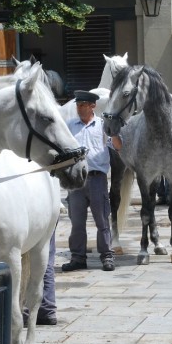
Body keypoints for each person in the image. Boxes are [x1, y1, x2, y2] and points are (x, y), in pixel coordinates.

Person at [62, 90, 117, 272]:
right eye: (78, 105)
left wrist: (114, 131)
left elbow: (118, 146)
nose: (79, 109)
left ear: (92, 106)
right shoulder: (69, 126)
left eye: (83, 105)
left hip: (96, 179)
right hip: (76, 181)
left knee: (102, 220)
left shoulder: (102, 125)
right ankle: (78, 257)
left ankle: (107, 256)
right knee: (77, 222)